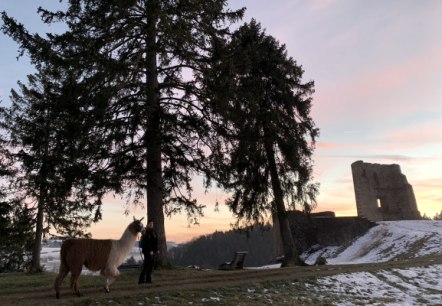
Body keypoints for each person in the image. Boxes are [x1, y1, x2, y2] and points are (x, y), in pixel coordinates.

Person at [138, 219, 158, 284]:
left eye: (152, 224)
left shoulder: (154, 232)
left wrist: (157, 250)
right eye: (150, 224)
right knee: (146, 265)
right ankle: (141, 280)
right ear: (148, 224)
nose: (151, 225)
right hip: (147, 251)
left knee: (151, 265)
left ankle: (148, 279)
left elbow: (155, 242)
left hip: (153, 251)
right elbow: (147, 242)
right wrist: (150, 250)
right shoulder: (146, 231)